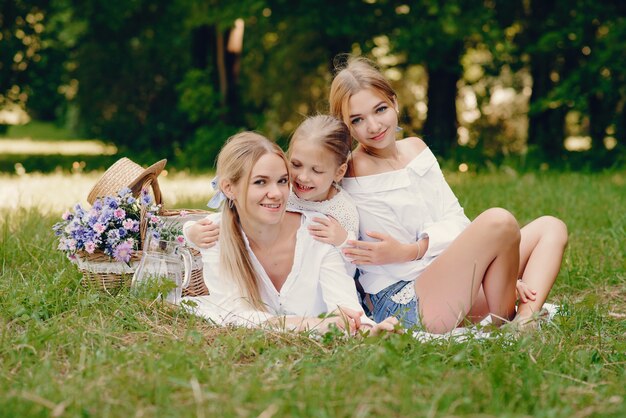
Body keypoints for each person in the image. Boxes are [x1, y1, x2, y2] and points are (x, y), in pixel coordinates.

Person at [329, 56, 569, 334]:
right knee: (499, 221)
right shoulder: (353, 170)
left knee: (551, 227)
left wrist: (415, 250)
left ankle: (524, 320)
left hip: (452, 275)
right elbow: (399, 260)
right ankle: (505, 314)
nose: (373, 126)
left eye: (380, 109)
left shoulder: (416, 148)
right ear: (346, 126)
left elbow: (455, 220)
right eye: (357, 119)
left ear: (394, 103)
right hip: (407, 300)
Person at [182, 131, 396, 334]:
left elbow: (344, 304)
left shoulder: (318, 231)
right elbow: (233, 315)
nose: (276, 194)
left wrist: (367, 329)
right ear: (229, 188)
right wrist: (313, 324)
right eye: (260, 182)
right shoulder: (214, 233)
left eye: (283, 181)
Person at [187, 115, 371, 307]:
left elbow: (350, 269)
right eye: (296, 165)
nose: (303, 177)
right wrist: (191, 232)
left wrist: (342, 240)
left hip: (325, 290)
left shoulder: (342, 211)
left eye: (316, 171)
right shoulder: (285, 191)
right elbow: (233, 215)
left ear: (339, 172)